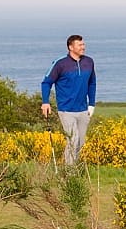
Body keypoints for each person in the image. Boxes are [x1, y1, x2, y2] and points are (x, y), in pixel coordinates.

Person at [41, 34, 96, 165]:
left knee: (81, 142)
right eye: (80, 45)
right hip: (66, 110)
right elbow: (46, 83)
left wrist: (92, 104)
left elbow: (92, 83)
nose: (83, 47)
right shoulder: (60, 64)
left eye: (83, 44)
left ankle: (73, 169)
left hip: (83, 110)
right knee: (73, 139)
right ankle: (70, 173)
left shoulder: (89, 62)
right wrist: (45, 102)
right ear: (71, 47)